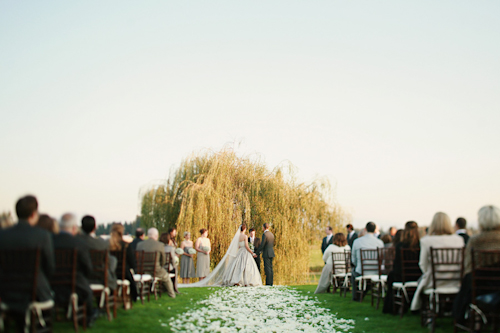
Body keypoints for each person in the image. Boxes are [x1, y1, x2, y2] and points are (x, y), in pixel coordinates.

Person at [0, 195, 55, 330]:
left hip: (7, 293)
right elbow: (50, 267)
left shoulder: (2, 236)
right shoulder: (42, 236)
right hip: (35, 293)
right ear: (33, 214)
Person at [453, 205, 500, 322]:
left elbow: (467, 266)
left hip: (479, 286)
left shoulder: (475, 240)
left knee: (468, 281)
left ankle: (462, 316)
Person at [410, 212, 464, 311]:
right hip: (455, 281)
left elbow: (423, 264)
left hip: (434, 282)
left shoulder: (426, 241)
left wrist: (429, 273)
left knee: (422, 281)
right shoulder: (459, 240)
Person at [52, 213, 98, 327]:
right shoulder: (79, 244)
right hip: (75, 284)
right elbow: (87, 267)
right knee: (86, 290)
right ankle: (88, 316)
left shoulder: (50, 241)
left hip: (51, 283)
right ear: (74, 227)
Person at [382, 222, 421, 314]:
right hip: (418, 277)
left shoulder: (400, 246)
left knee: (391, 276)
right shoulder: (420, 245)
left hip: (403, 277)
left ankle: (392, 307)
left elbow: (397, 266)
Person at [78, 215, 117, 291]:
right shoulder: (101, 244)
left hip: (80, 276)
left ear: (81, 227)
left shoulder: (76, 242)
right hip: (98, 277)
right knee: (112, 260)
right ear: (94, 227)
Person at [136, 228, 175, 298]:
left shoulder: (140, 245)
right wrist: (160, 266)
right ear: (156, 236)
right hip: (156, 270)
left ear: (148, 235)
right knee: (166, 278)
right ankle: (172, 294)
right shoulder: (160, 245)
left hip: (142, 270)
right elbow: (163, 260)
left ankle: (141, 293)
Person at [350, 221, 384, 301]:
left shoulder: (357, 241)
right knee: (368, 277)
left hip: (361, 271)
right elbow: (381, 259)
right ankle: (364, 292)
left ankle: (356, 296)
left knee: (353, 273)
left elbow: (353, 259)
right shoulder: (380, 243)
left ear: (365, 229)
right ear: (375, 230)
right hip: (376, 271)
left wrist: (356, 265)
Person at [109, 223, 138, 303]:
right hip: (123, 273)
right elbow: (132, 262)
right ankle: (133, 298)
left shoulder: (107, 245)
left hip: (110, 272)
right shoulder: (125, 245)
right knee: (132, 282)